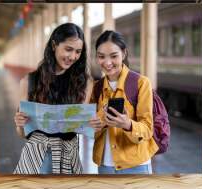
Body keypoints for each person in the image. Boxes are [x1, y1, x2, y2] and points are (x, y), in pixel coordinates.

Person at [13, 23, 94, 174]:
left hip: (68, 156)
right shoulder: (28, 81)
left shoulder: (85, 83)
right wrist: (19, 123)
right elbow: (22, 133)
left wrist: (92, 123)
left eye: (78, 52)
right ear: (54, 45)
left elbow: (81, 127)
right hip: (36, 156)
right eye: (68, 49)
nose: (73, 57)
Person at [90, 30, 159, 174]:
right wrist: (95, 125)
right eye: (101, 56)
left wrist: (127, 124)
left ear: (124, 53)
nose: (107, 63)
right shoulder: (97, 87)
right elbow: (91, 129)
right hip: (105, 166)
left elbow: (147, 129)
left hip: (136, 166)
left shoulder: (141, 83)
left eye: (114, 56)